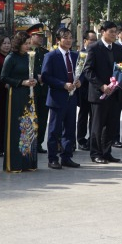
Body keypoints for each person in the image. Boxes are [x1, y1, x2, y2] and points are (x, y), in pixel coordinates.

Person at [41, 28, 82, 169]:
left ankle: (67, 156)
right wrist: (63, 85)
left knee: (70, 129)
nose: (69, 40)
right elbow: (46, 76)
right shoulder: (51, 56)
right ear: (58, 40)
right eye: (65, 37)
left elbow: (80, 73)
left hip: (72, 98)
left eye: (71, 37)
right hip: (57, 97)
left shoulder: (76, 56)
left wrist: (79, 81)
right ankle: (52, 158)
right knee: (54, 130)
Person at [84, 21, 121, 164]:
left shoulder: (118, 49)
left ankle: (107, 152)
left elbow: (121, 69)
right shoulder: (94, 48)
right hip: (99, 94)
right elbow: (88, 70)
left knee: (111, 125)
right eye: (111, 31)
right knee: (97, 126)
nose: (114, 34)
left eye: (115, 31)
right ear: (102, 32)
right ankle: (95, 153)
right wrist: (101, 86)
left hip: (114, 93)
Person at [1, 31, 38, 173]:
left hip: (29, 95)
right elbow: (4, 77)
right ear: (19, 44)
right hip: (15, 95)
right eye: (26, 43)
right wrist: (21, 82)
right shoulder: (11, 58)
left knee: (29, 127)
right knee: (16, 128)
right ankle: (14, 163)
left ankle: (28, 162)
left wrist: (33, 80)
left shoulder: (30, 57)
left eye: (29, 43)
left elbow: (32, 73)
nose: (28, 46)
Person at [26, 24, 49, 155]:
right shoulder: (27, 52)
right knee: (30, 116)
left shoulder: (45, 52)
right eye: (38, 36)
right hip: (31, 90)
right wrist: (36, 76)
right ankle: (30, 141)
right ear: (31, 36)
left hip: (43, 90)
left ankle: (39, 142)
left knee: (42, 117)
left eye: (42, 36)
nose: (41, 38)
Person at [76, 29, 97, 150]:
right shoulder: (81, 54)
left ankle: (92, 139)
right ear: (85, 41)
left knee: (94, 116)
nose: (94, 42)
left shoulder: (96, 52)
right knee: (83, 115)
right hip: (83, 90)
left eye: (95, 40)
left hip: (95, 89)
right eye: (92, 40)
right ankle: (81, 139)